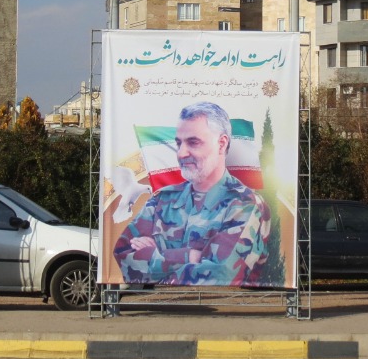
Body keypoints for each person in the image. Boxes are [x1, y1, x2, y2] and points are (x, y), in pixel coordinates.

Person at [113, 101, 271, 285]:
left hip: (222, 305)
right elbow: (124, 256)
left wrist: (156, 256)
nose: (181, 153)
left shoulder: (245, 204)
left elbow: (219, 277)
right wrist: (190, 256)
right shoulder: (162, 200)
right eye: (178, 143)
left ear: (221, 144)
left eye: (193, 142)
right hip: (158, 305)